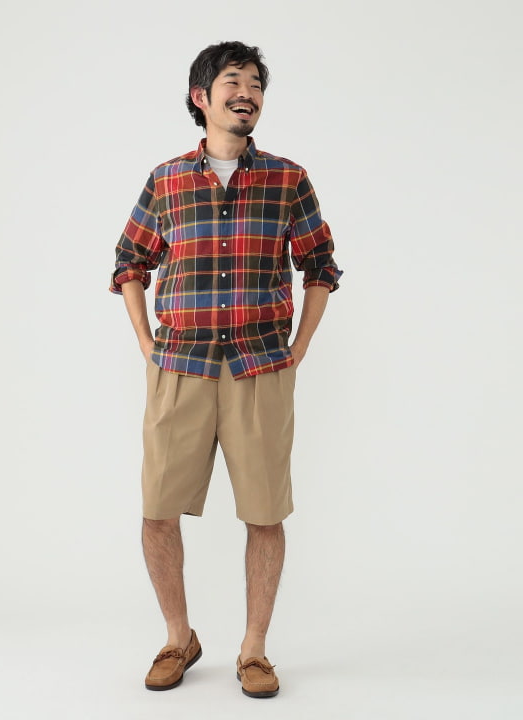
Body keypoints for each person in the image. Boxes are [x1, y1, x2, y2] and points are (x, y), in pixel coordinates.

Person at [110, 41, 342, 698]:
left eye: (257, 83)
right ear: (201, 97)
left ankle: (254, 649)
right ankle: (178, 637)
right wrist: (146, 341)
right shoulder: (167, 180)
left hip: (259, 368)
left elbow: (321, 265)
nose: (248, 93)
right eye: (233, 81)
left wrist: (300, 346)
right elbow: (129, 261)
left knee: (265, 513)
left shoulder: (288, 179)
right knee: (158, 510)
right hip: (179, 366)